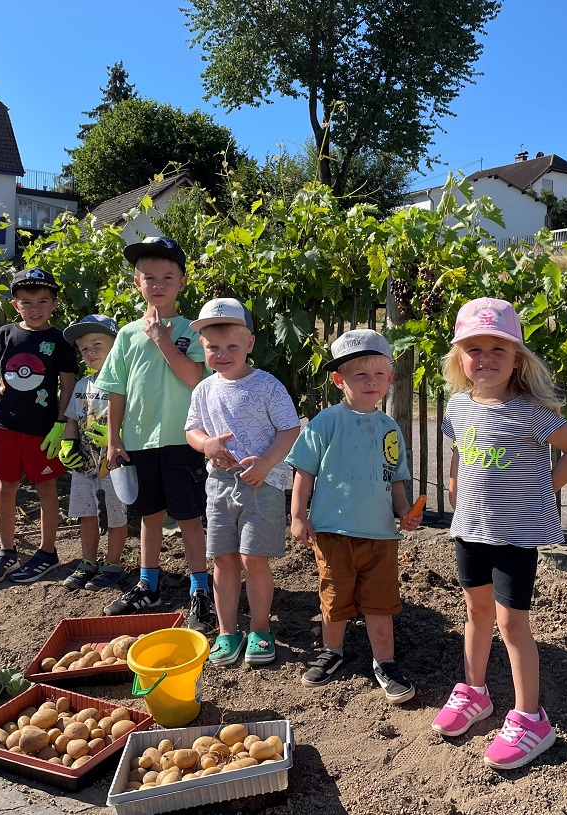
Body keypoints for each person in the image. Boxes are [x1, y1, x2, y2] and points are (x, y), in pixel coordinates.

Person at [433, 297, 567, 770]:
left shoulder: (529, 412)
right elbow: (460, 453)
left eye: (497, 349)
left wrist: (543, 492)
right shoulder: (458, 407)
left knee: (510, 624)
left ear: (517, 358)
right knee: (476, 613)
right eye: (473, 349)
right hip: (470, 531)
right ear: (460, 359)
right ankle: (475, 692)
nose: (485, 358)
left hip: (515, 536)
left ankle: (529, 718)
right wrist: (455, 485)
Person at [286, 329, 421, 704]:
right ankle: (332, 651)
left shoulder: (390, 428)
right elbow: (304, 472)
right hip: (332, 531)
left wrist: (404, 512)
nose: (370, 381)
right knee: (335, 597)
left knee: (381, 603)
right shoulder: (326, 422)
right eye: (359, 375)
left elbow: (394, 481)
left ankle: (386, 662)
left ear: (390, 379)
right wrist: (298, 515)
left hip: (380, 535)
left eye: (379, 374)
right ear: (339, 379)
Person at [95, 236, 215, 632]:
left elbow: (194, 378)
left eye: (168, 277)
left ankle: (200, 590)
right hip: (138, 442)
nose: (158, 284)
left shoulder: (190, 331)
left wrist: (164, 341)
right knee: (148, 516)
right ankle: (149, 583)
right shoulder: (128, 335)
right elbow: (115, 388)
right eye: (150, 277)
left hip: (184, 439)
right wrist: (114, 439)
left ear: (182, 283)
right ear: (137, 283)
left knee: (189, 516)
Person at [184, 298, 301, 666]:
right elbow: (192, 429)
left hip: (260, 484)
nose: (222, 354)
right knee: (223, 559)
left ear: (249, 344)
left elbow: (290, 429)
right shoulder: (204, 389)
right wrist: (206, 444)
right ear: (202, 347)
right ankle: (226, 631)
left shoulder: (266, 385)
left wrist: (266, 464)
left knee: (253, 559)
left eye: (231, 346)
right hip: (219, 484)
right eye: (213, 347)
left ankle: (261, 628)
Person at [0, 268, 78, 585]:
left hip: (42, 429)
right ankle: (6, 549)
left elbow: (68, 382)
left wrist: (61, 422)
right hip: (2, 423)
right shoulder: (5, 334)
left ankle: (47, 551)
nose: (35, 308)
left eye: (42, 301)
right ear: (15, 304)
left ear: (54, 304)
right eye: (26, 302)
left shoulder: (58, 340)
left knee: (46, 487)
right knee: (5, 487)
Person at [58, 315, 129, 591]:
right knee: (86, 513)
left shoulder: (125, 383)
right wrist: (68, 445)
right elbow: (73, 419)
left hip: (114, 465)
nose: (90, 352)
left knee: (115, 514)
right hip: (84, 465)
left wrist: (119, 438)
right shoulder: (81, 386)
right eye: (84, 348)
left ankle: (112, 564)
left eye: (97, 344)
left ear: (117, 346)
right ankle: (88, 561)